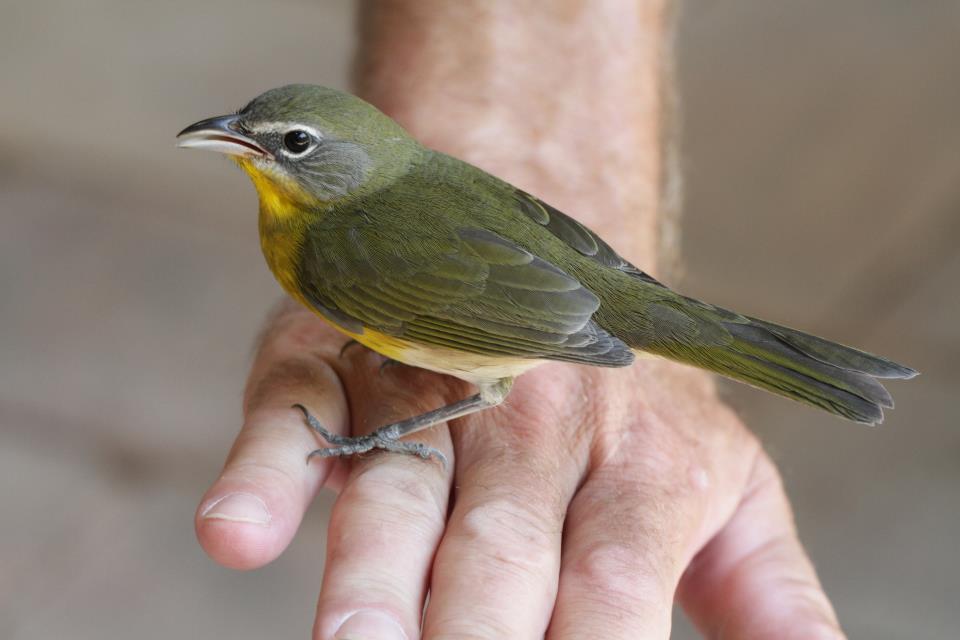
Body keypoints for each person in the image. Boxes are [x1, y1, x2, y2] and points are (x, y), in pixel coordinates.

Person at [195, 2, 846, 638]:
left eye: (294, 145)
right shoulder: (393, 188)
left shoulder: (321, 252)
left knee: (488, 390)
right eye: (254, 136)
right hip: (574, 262)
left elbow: (475, 326)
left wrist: (377, 436)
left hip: (527, 308)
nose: (253, 147)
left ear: (352, 158)